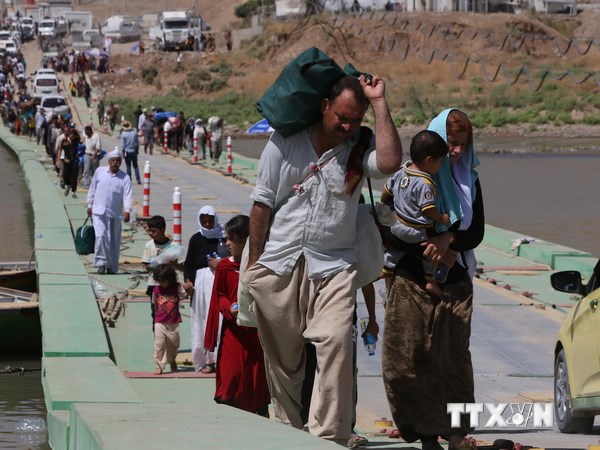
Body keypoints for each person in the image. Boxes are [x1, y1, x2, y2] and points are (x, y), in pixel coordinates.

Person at [242, 74, 402, 444]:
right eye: (341, 117)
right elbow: (262, 203)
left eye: (354, 120)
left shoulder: (358, 149)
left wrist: (378, 102)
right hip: (281, 262)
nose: (347, 127)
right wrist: (253, 263)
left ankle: (327, 434)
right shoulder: (284, 142)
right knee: (284, 363)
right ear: (324, 107)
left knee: (334, 341)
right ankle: (289, 427)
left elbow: (391, 162)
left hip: (334, 266)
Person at [382, 108, 484, 450]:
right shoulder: (411, 177)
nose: (455, 152)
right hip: (412, 279)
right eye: (451, 144)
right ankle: (425, 434)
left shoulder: (470, 179)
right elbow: (390, 226)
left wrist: (448, 240)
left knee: (453, 360)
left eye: (461, 145)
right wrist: (426, 245)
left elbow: (477, 231)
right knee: (408, 361)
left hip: (455, 282)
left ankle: (456, 434)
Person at [204, 215, 270, 416]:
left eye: (231, 239)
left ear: (245, 240)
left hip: (257, 335)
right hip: (232, 334)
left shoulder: (263, 266)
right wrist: (229, 309)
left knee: (255, 378)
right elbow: (220, 297)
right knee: (231, 375)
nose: (227, 243)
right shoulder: (225, 267)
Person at [380, 130, 450, 297]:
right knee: (431, 253)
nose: (440, 165)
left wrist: (385, 205)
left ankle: (386, 267)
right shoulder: (425, 182)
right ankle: (431, 281)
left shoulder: (402, 170)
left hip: (397, 226)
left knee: (396, 250)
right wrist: (442, 218)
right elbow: (428, 209)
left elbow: (386, 191)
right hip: (416, 232)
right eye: (440, 161)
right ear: (428, 160)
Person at [183, 205, 226, 373]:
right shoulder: (196, 239)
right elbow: (189, 263)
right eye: (204, 221)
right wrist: (188, 282)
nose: (208, 224)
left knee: (221, 320)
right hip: (201, 286)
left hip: (220, 282)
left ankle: (220, 358)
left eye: (210, 221)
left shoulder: (223, 237)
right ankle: (207, 360)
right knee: (202, 320)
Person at [86, 149, 133, 274]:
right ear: (109, 161)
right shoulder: (100, 172)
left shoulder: (125, 177)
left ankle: (112, 266)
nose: (115, 163)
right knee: (100, 236)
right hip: (98, 211)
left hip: (115, 213)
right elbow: (92, 189)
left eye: (118, 161)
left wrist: (127, 210)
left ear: (120, 162)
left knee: (113, 240)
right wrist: (89, 204)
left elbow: (127, 195)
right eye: (113, 160)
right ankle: (101, 263)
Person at [142, 215, 182, 331]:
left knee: (170, 313)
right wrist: (156, 263)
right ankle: (159, 340)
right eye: (149, 230)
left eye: (153, 231)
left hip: (170, 286)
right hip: (154, 285)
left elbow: (182, 268)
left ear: (163, 230)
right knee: (156, 314)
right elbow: (145, 266)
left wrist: (174, 264)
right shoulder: (149, 246)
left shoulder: (174, 247)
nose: (150, 233)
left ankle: (170, 337)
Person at [152, 263, 187, 375]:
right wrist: (156, 319)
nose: (162, 283)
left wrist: (189, 287)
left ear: (170, 278)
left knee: (174, 345)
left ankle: (172, 360)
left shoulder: (177, 288)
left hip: (173, 322)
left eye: (164, 281)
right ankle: (159, 365)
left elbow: (185, 295)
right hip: (160, 322)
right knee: (159, 344)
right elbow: (155, 305)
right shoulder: (157, 290)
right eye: (160, 281)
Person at [61, 128, 81, 198]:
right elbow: (61, 149)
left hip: (74, 162)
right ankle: (67, 187)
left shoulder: (77, 142)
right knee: (65, 175)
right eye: (71, 134)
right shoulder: (64, 141)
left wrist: (77, 135)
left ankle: (73, 192)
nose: (72, 136)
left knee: (74, 177)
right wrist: (61, 159)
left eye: (73, 135)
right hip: (66, 161)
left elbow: (81, 139)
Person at [120, 120, 141, 184]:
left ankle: (129, 179)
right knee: (135, 166)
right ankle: (138, 179)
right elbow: (137, 143)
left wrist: (123, 153)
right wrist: (137, 150)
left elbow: (123, 145)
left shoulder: (123, 134)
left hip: (127, 151)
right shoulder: (134, 133)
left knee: (128, 166)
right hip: (134, 151)